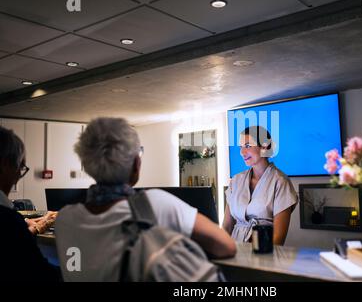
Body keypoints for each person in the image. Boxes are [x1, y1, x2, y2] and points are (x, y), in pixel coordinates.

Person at [55, 117, 236, 281]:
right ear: (136, 164)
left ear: (85, 165)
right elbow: (226, 245)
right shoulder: (153, 205)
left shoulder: (65, 220)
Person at [0, 126, 60, 282]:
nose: (19, 175)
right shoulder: (8, 222)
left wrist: (26, 222)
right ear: (5, 165)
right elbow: (39, 274)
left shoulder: (12, 220)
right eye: (20, 167)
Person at [223, 126, 298, 245]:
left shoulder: (280, 182)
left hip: (263, 253)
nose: (242, 152)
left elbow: (278, 238)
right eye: (241, 147)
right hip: (234, 252)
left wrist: (262, 261)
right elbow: (226, 227)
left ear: (264, 146)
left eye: (247, 146)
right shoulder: (235, 181)